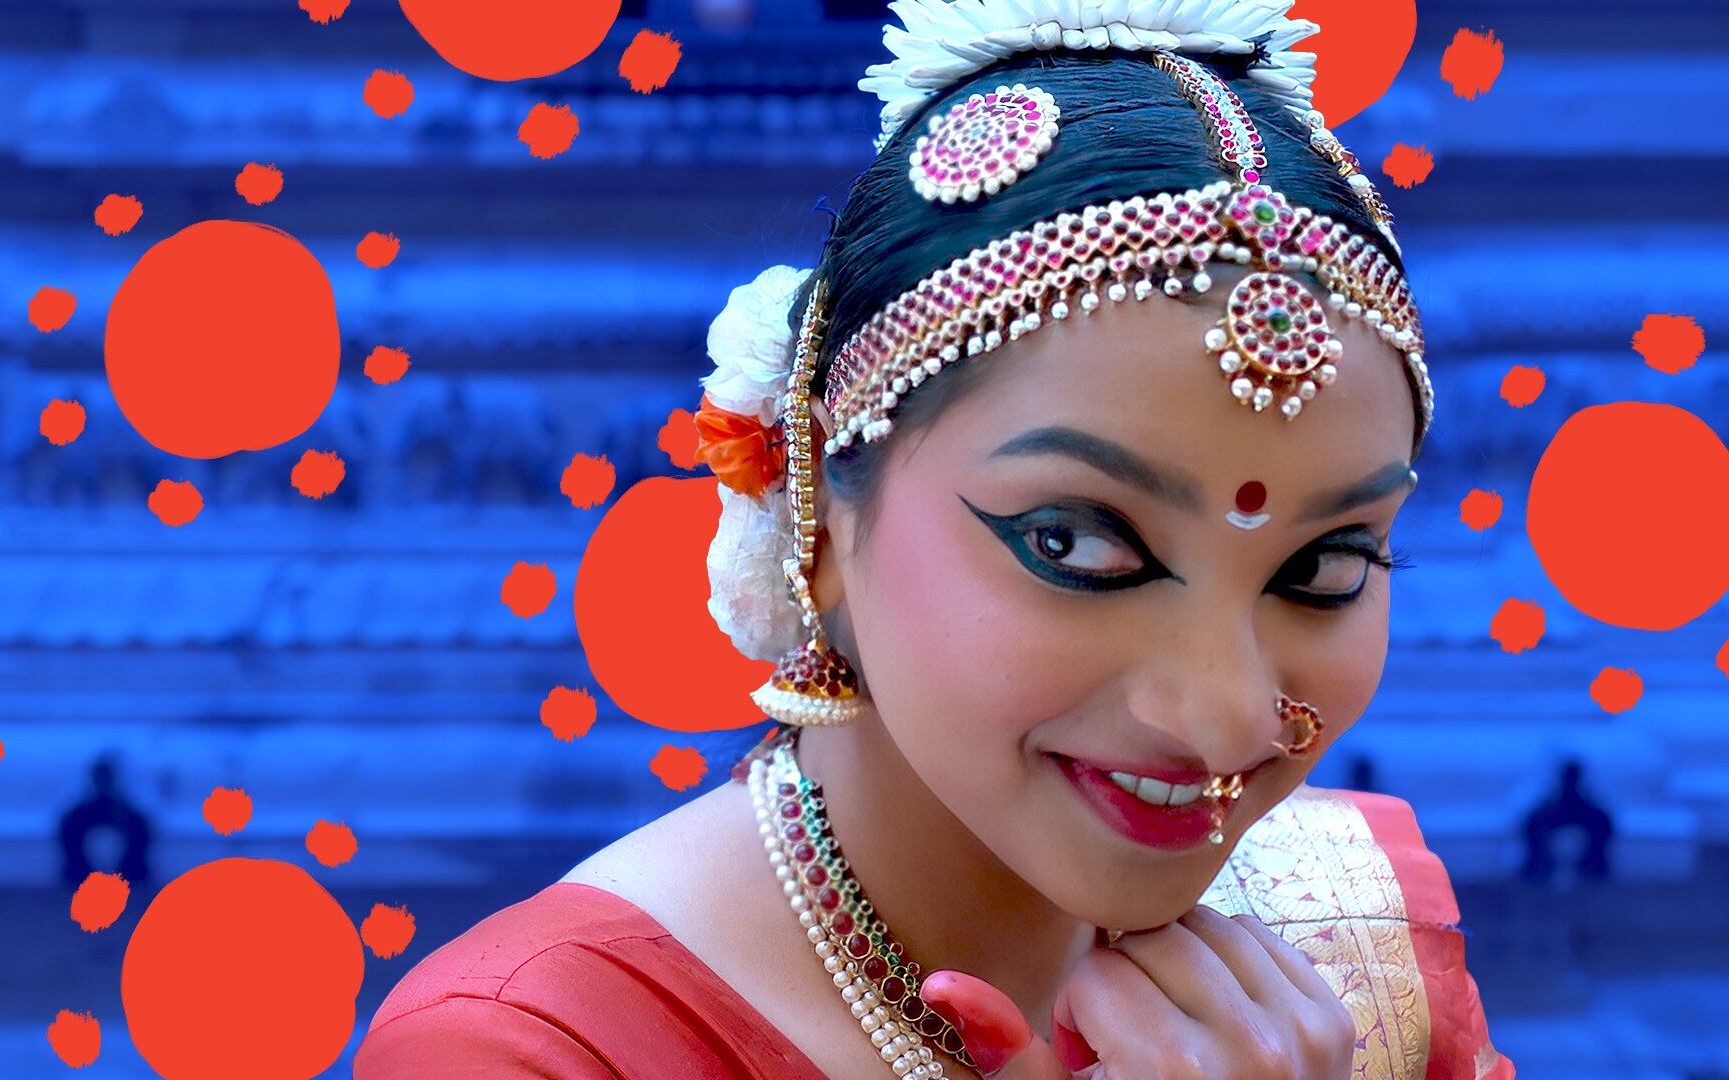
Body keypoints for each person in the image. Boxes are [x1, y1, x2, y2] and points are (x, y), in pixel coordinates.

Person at [356, 1, 1514, 1076]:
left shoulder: (1357, 951)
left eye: (1322, 570)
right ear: (815, 512)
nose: (1222, 717)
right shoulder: (543, 1046)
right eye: (1076, 547)